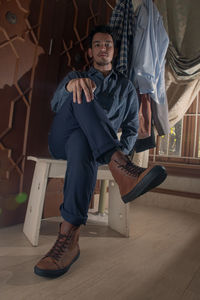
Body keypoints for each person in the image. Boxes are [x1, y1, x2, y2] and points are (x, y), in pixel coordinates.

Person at [34, 25, 167, 278]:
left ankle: (68, 239)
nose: (103, 48)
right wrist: (71, 86)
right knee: (80, 90)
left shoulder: (126, 88)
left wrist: (123, 149)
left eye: (107, 44)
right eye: (97, 44)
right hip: (60, 139)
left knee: (82, 142)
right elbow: (54, 105)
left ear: (114, 51)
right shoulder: (75, 75)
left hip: (87, 148)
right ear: (90, 52)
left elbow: (130, 128)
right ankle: (121, 167)